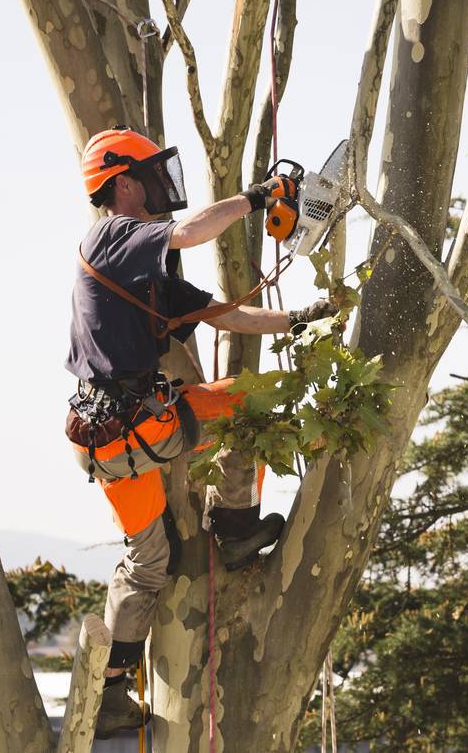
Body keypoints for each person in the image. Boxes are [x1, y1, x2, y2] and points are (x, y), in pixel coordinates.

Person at [63, 127, 336, 738]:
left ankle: (109, 694)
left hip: (104, 441)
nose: (163, 188)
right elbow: (187, 232)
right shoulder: (113, 237)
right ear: (124, 183)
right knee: (247, 407)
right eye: (151, 176)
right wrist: (258, 196)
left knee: (148, 561)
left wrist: (299, 320)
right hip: (136, 426)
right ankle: (236, 527)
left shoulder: (141, 269)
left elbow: (223, 313)